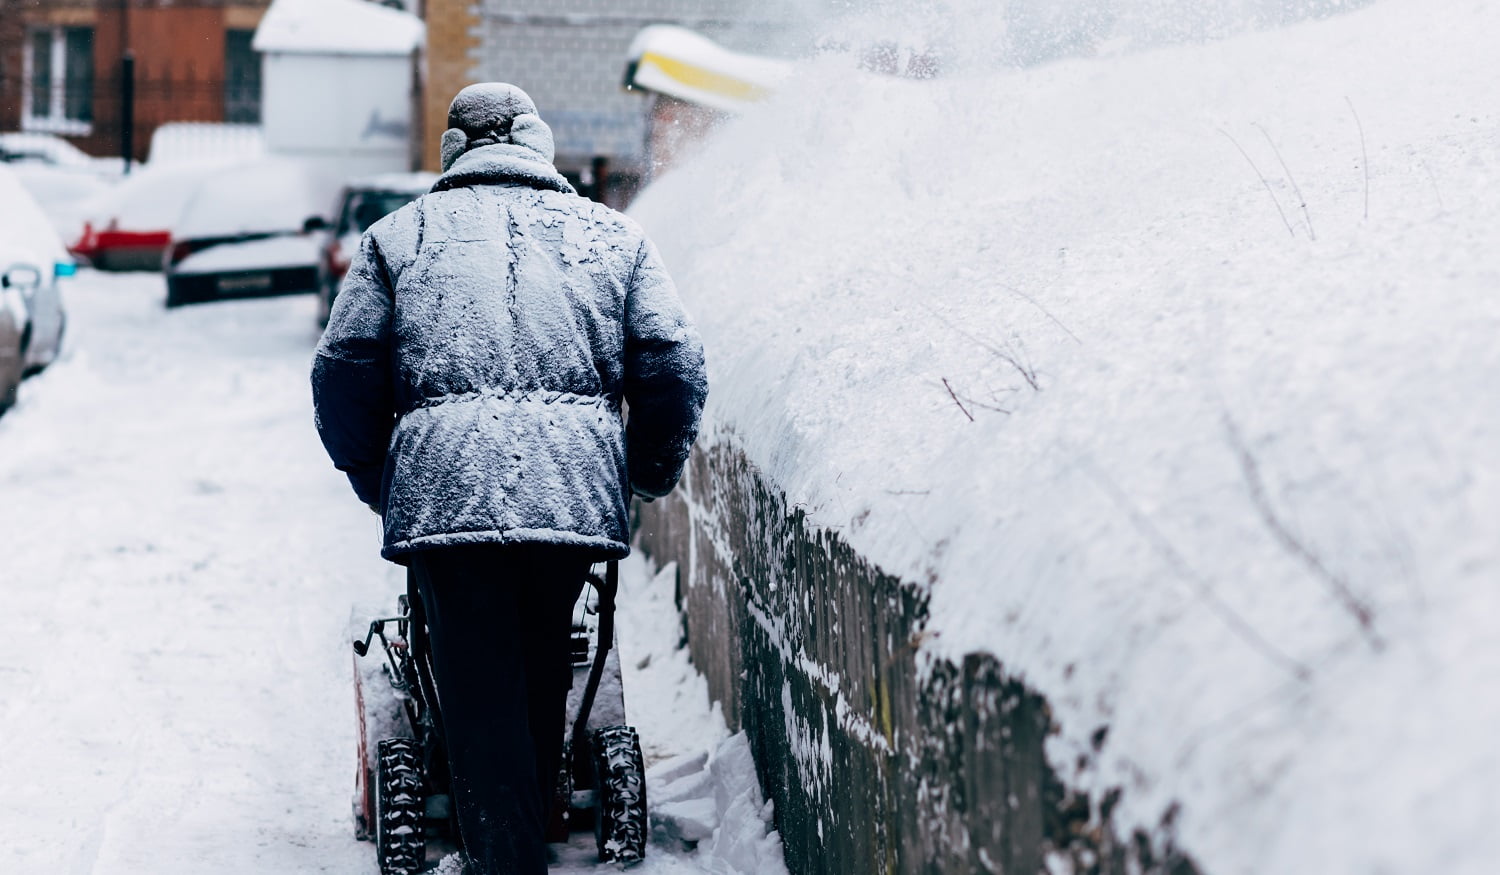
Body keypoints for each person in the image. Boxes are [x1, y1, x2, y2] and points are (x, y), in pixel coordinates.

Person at [311, 82, 707, 874]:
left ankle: (506, 855)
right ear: (539, 145)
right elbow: (673, 364)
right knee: (539, 667)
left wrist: (377, 477)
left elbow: (344, 371)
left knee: (479, 693)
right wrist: (643, 471)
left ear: (453, 150)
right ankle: (522, 832)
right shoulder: (613, 239)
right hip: (569, 497)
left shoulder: (398, 238)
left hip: (444, 500)